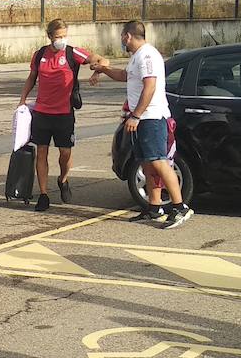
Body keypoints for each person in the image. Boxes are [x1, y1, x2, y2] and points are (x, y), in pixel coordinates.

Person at [88, 20, 193, 229]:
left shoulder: (147, 55)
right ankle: (154, 208)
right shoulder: (136, 57)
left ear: (128, 36)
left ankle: (180, 206)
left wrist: (136, 115)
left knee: (158, 161)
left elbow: (150, 86)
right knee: (147, 163)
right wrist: (104, 69)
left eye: (121, 36)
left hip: (151, 117)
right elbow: (125, 76)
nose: (121, 41)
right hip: (142, 119)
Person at [17, 19, 106, 212]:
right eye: (58, 37)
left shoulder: (72, 52)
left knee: (65, 154)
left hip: (64, 113)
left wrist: (97, 72)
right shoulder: (39, 55)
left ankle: (63, 178)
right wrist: (22, 100)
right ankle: (43, 194)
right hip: (42, 112)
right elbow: (32, 78)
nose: (62, 40)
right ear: (49, 36)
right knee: (42, 151)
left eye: (64, 36)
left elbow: (100, 59)